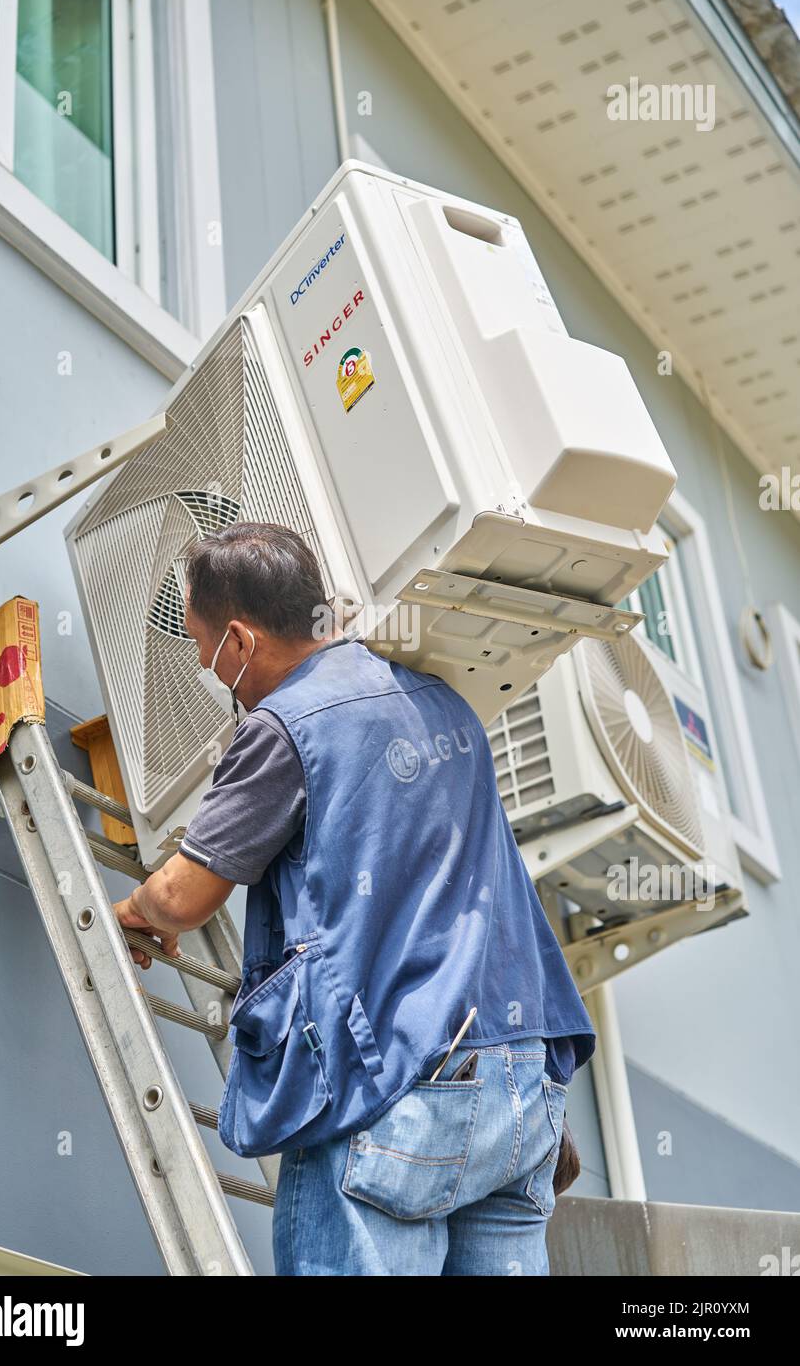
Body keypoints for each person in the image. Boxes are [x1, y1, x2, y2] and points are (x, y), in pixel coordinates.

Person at [112, 520, 596, 1275]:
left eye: (203, 647)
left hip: (397, 1088)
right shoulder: (444, 705)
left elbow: (181, 899)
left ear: (238, 642)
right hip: (520, 1084)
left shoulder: (286, 725)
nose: (205, 666)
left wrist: (135, 910)